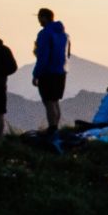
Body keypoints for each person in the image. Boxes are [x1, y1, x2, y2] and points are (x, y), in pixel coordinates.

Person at [31, 8, 71, 140]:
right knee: (55, 101)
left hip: (47, 72)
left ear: (44, 17)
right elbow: (68, 54)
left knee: (48, 101)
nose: (38, 21)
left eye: (39, 18)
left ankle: (52, 128)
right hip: (61, 71)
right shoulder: (64, 35)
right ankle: (55, 127)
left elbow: (43, 55)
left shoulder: (44, 34)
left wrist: (36, 74)